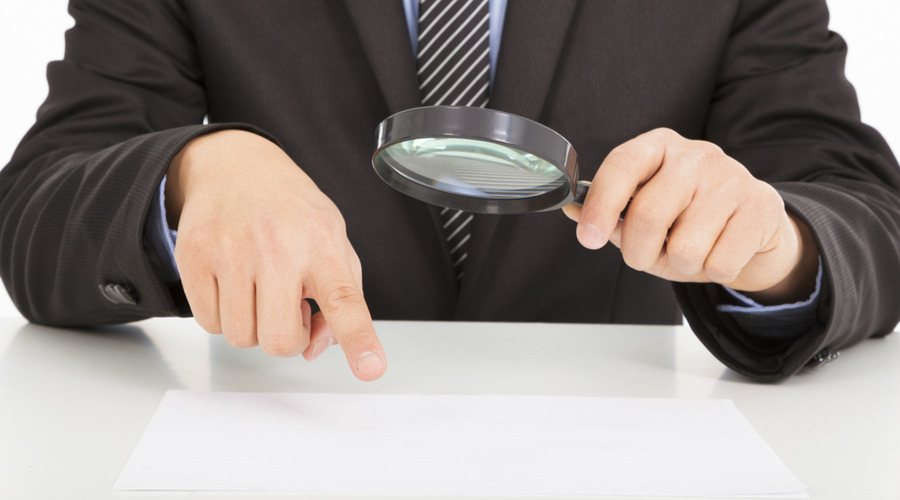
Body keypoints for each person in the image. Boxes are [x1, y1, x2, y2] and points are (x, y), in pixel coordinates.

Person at [1, 0, 898, 382]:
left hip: (619, 463)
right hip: (289, 447)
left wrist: (778, 249)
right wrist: (189, 173)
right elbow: (36, 204)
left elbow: (865, 207)